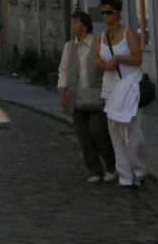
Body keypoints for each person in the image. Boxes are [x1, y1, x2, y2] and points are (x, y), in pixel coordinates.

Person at [94, 0, 149, 188]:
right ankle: (125, 176)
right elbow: (96, 61)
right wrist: (103, 65)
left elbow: (137, 58)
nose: (106, 16)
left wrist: (118, 58)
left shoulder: (129, 33)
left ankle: (139, 170)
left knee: (132, 131)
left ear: (118, 13)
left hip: (130, 86)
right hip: (110, 89)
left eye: (109, 12)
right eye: (103, 13)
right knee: (115, 135)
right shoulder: (101, 37)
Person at [58, 11, 117, 184]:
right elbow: (63, 71)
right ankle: (95, 170)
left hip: (97, 96)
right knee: (83, 136)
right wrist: (62, 90)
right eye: (72, 22)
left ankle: (113, 166)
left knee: (97, 130)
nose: (73, 25)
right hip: (77, 98)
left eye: (76, 22)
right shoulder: (70, 47)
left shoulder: (98, 43)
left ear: (85, 25)